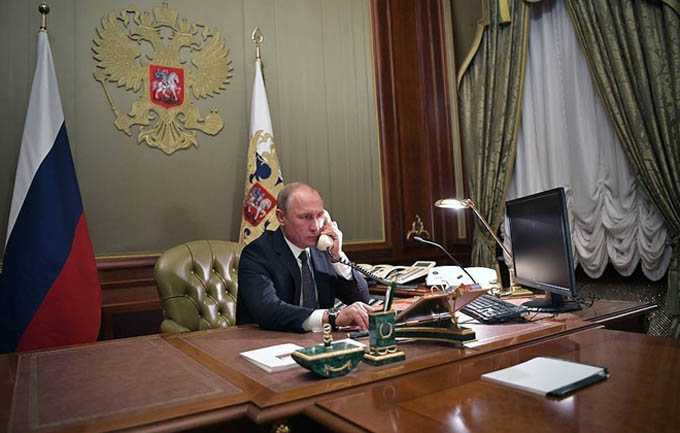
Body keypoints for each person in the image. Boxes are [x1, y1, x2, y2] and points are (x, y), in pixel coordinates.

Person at [236, 182, 372, 332]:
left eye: (319, 216)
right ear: (281, 217)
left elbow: (361, 300)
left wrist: (337, 257)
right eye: (306, 217)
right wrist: (331, 317)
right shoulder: (257, 253)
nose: (315, 227)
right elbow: (268, 310)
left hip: (320, 340)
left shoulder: (323, 250)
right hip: (268, 340)